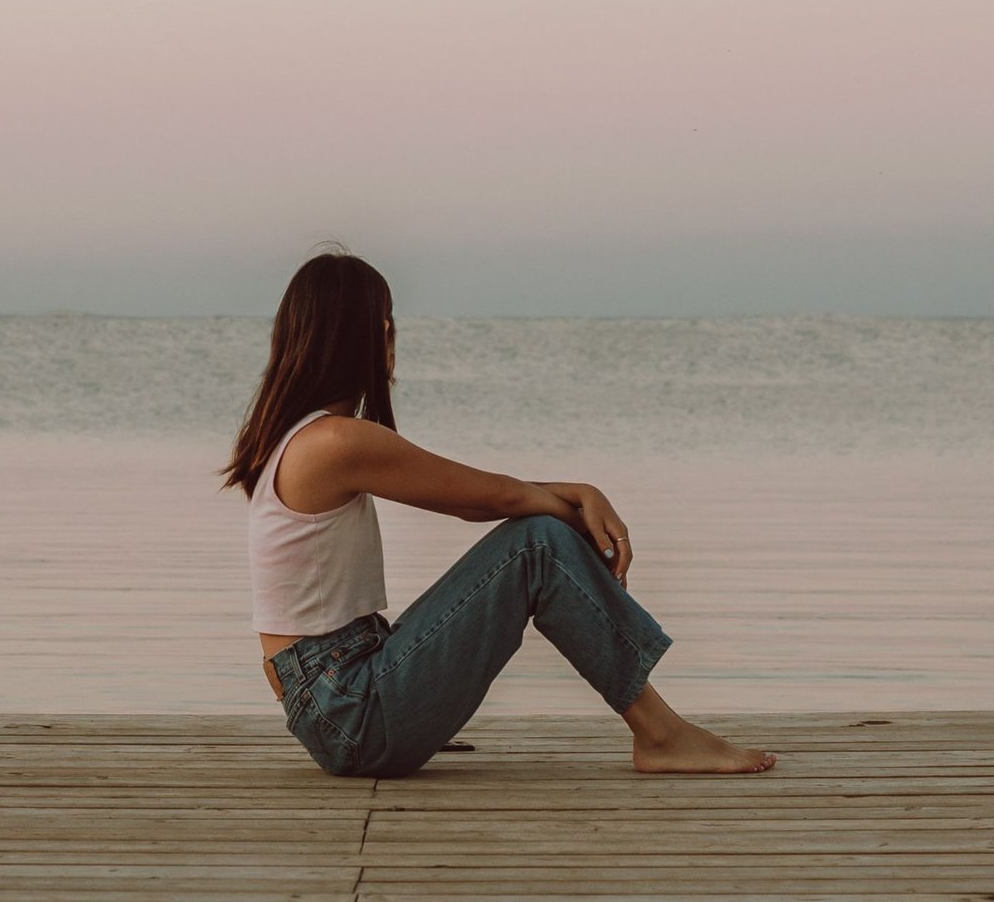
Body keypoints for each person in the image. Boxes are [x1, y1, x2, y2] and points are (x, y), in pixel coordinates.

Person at [221, 249, 776, 778]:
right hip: (350, 713)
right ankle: (660, 735)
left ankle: (658, 730)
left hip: (343, 694)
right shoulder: (335, 442)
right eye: (386, 324)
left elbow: (485, 497)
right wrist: (579, 500)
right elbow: (489, 500)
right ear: (368, 336)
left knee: (538, 537)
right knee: (537, 545)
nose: (392, 338)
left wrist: (574, 497)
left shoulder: (296, 438)